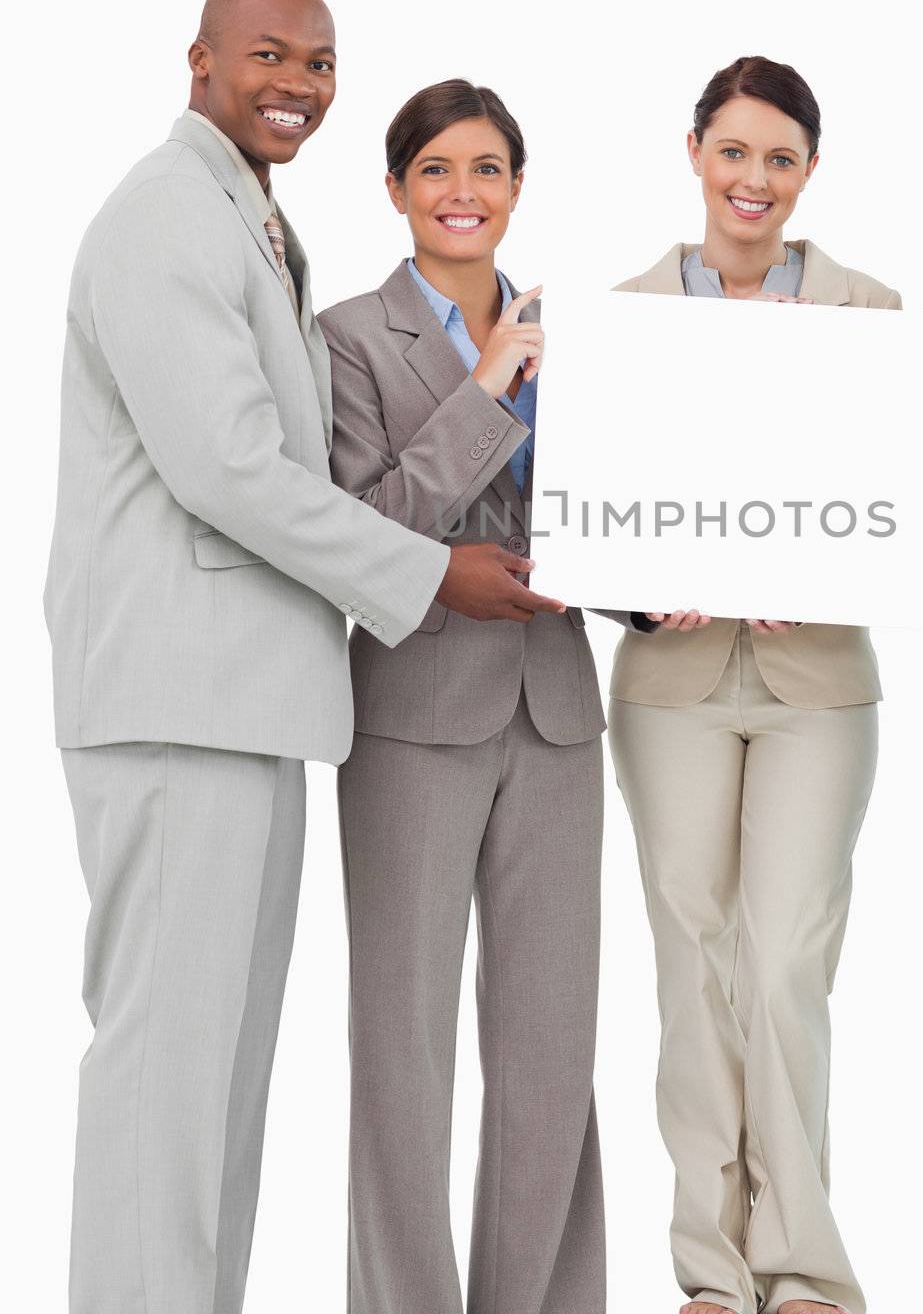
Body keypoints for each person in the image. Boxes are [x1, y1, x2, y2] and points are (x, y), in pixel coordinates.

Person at [43, 0, 559, 1314]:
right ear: (200, 58)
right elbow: (228, 468)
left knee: (213, 1084)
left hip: (253, 703)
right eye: (268, 54)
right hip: (180, 702)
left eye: (320, 62)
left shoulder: (253, 220)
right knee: (167, 1077)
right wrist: (424, 570)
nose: (297, 82)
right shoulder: (166, 215)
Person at [317, 79, 653, 1314]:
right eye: (439, 170)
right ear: (398, 187)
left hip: (558, 713)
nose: (465, 194)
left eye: (490, 170)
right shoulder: (347, 336)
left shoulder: (586, 332)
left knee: (552, 1051)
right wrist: (488, 389)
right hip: (411, 715)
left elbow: (627, 508)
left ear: (518, 188)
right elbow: (359, 526)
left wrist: (660, 587)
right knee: (402, 1045)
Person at [610, 56, 898, 1314]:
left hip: (816, 682)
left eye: (780, 157)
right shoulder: (616, 314)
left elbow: (912, 506)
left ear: (809, 172)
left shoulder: (874, 315)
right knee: (691, 962)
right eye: (734, 151)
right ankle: (711, 1275)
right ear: (694, 152)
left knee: (784, 961)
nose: (754, 179)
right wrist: (636, 587)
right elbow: (586, 514)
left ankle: (804, 1266)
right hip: (671, 679)